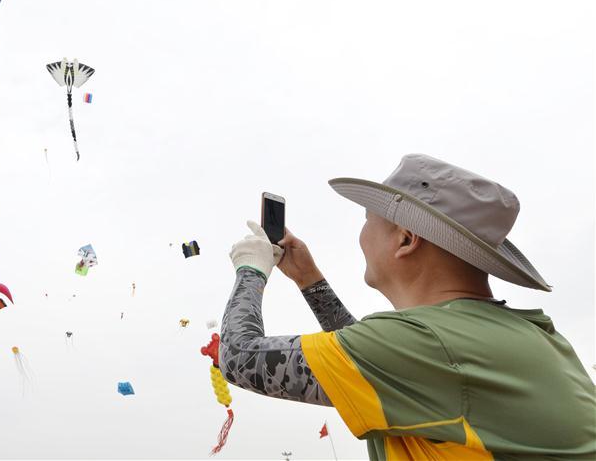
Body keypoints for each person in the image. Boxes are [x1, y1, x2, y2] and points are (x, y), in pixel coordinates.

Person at [219, 154, 595, 460]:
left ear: (406, 238)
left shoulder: (429, 344)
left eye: (368, 220)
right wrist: (309, 281)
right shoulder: (531, 336)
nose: (362, 233)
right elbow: (385, 365)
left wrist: (251, 268)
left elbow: (237, 357)